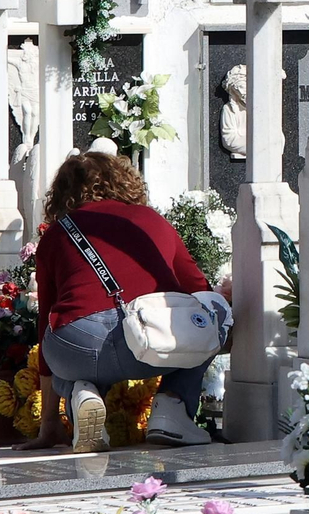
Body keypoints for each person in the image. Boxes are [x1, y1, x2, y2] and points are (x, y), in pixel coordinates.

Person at [16, 151, 215, 453]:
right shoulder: (152, 221)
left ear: (62, 193)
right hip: (149, 343)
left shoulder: (56, 234)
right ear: (125, 182)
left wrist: (49, 422)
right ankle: (172, 408)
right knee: (214, 318)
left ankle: (80, 393)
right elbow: (202, 292)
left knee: (66, 351)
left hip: (78, 346)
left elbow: (46, 320)